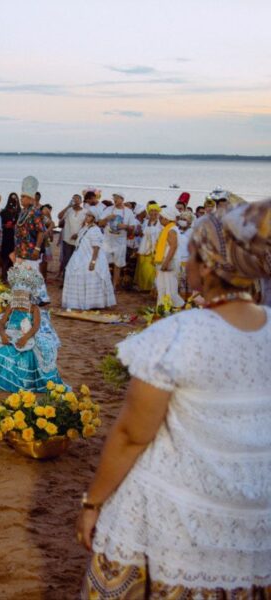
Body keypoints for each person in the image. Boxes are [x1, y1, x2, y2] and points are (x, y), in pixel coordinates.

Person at [77, 199, 271, 598]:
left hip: (178, 511)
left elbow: (132, 434)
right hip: (255, 515)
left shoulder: (177, 336)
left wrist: (93, 502)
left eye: (191, 256)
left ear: (206, 266)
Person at [0, 264, 63, 393]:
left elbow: (36, 326)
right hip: (9, 336)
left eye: (23, 294)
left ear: (28, 295)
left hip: (27, 337)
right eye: (17, 294)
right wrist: (3, 335)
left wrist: (25, 338)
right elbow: (1, 324)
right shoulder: (11, 306)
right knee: (0, 354)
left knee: (27, 358)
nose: (20, 297)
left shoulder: (34, 308)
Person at [61, 211, 116, 310]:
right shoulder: (85, 228)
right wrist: (76, 236)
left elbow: (96, 247)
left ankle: (93, 303)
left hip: (90, 257)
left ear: (94, 218)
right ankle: (77, 303)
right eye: (87, 215)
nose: (87, 217)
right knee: (74, 273)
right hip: (79, 255)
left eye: (90, 216)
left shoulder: (95, 230)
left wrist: (93, 261)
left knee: (90, 275)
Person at [12, 176, 50, 304]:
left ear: (30, 198)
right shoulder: (23, 211)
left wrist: (37, 248)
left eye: (23, 197)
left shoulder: (35, 212)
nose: (21, 199)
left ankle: (40, 297)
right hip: (20, 248)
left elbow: (41, 230)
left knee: (32, 272)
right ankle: (25, 296)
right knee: (22, 273)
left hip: (30, 248)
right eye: (21, 197)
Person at [99, 193, 137, 289]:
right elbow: (100, 223)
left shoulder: (128, 212)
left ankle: (115, 285)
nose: (114, 199)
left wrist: (126, 226)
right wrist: (107, 218)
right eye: (114, 198)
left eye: (117, 198)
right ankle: (104, 283)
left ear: (122, 199)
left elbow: (132, 228)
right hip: (107, 240)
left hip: (120, 241)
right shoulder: (108, 209)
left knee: (118, 264)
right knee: (104, 262)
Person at [154, 206, 184, 307]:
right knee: (162, 285)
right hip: (165, 260)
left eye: (161, 218)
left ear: (167, 218)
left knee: (169, 286)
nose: (159, 220)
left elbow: (173, 247)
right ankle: (163, 307)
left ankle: (174, 307)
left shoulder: (171, 230)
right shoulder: (167, 228)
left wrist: (166, 262)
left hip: (170, 261)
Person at [57, 194, 86, 281]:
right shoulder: (69, 210)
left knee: (78, 261)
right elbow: (59, 216)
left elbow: (86, 225)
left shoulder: (85, 212)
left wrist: (78, 234)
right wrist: (68, 206)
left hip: (79, 241)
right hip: (67, 240)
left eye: (77, 199)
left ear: (81, 201)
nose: (76, 201)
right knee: (67, 261)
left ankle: (76, 281)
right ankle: (66, 281)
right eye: (74, 199)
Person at [133, 203, 161, 292]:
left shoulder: (160, 223)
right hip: (144, 247)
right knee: (142, 267)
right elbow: (142, 233)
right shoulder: (146, 222)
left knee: (150, 269)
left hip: (154, 249)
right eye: (151, 211)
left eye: (155, 211)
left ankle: (151, 288)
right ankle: (142, 287)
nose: (153, 213)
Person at [0, 192, 20, 278]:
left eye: (15, 198)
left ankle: (12, 277)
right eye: (12, 198)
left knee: (14, 258)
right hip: (6, 237)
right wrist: (5, 225)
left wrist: (14, 225)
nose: (13, 200)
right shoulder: (4, 212)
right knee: (5, 257)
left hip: (16, 238)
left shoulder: (20, 212)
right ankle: (3, 275)